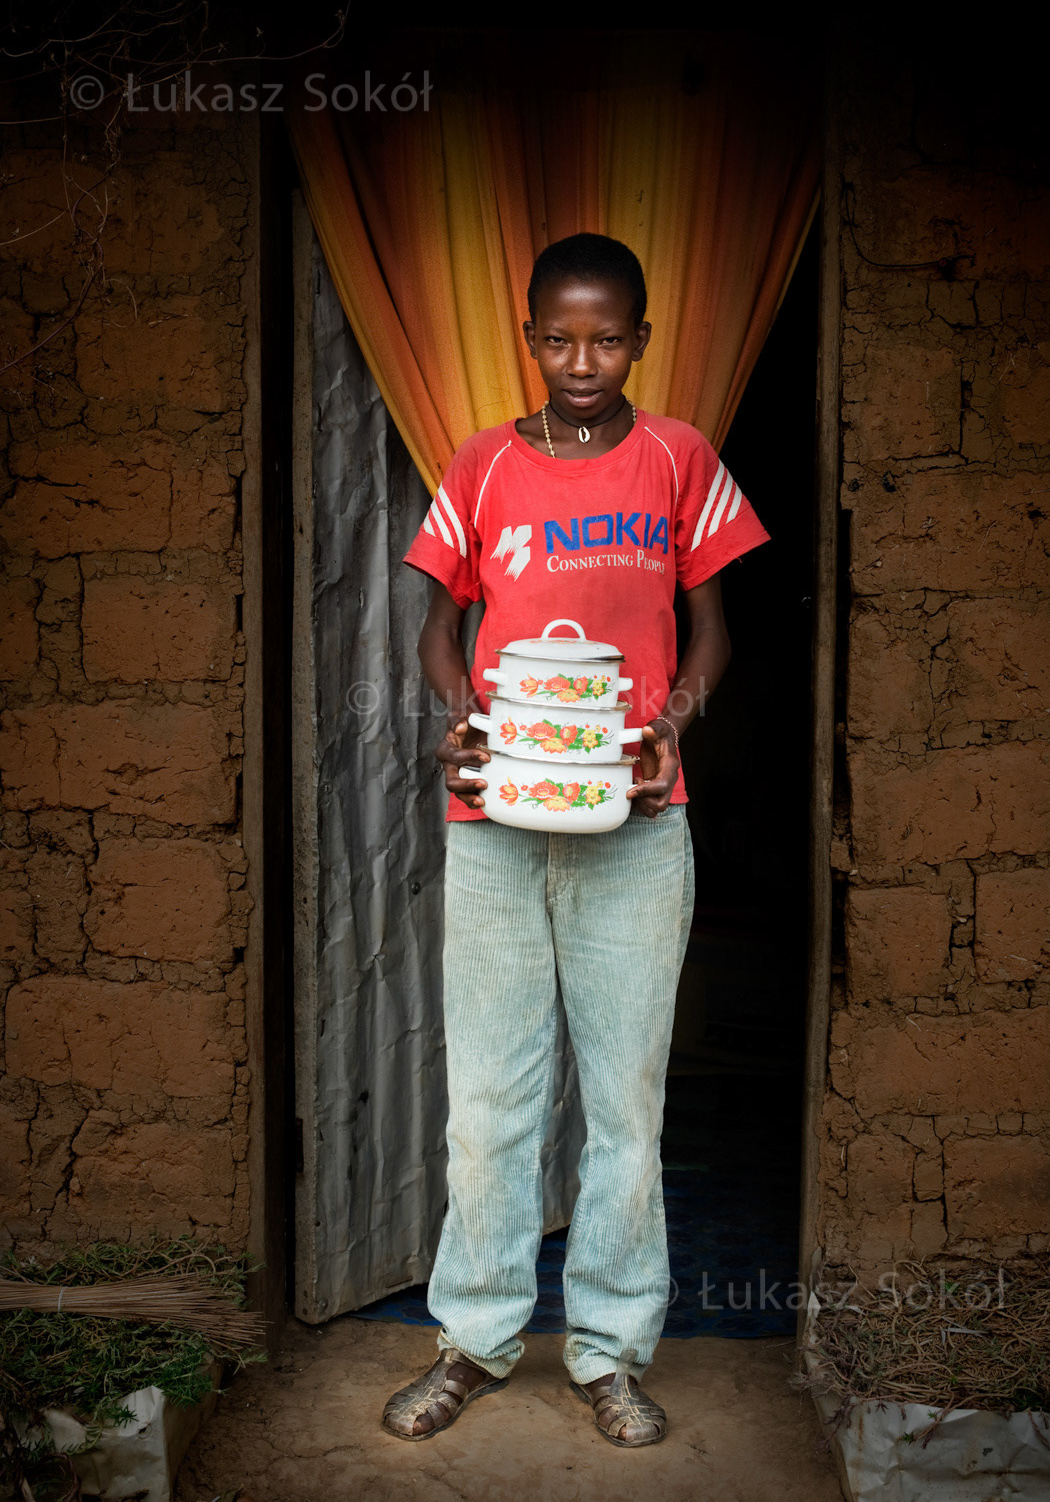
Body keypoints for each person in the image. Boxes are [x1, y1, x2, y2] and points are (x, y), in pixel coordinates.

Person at [382, 233, 769, 1447]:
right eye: (559, 339)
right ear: (530, 339)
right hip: (497, 821)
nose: (582, 360)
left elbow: (713, 629)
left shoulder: (678, 459)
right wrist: (460, 719)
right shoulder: (485, 464)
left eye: (606, 339)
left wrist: (672, 723)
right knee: (488, 1103)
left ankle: (609, 1351)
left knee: (625, 1108)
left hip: (635, 822)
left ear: (641, 340)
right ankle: (474, 1339)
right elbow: (439, 627)